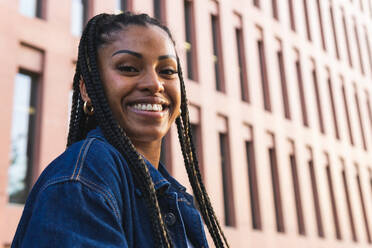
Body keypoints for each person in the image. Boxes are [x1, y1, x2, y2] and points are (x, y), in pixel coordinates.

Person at [11, 12, 229, 248]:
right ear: (87, 90)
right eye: (128, 68)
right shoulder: (82, 181)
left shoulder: (171, 195)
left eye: (167, 71)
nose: (155, 83)